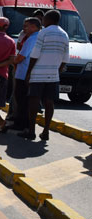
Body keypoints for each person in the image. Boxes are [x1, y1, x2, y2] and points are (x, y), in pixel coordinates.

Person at [22, 10, 70, 141]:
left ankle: (31, 131)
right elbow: (66, 58)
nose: (42, 21)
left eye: (44, 19)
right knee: (49, 102)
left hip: (38, 73)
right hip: (53, 75)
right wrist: (57, 71)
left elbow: (35, 54)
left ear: (49, 20)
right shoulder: (64, 34)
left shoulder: (43, 32)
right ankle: (46, 131)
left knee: (33, 100)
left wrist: (28, 73)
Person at [11, 17, 42, 131]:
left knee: (21, 100)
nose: (24, 28)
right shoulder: (36, 37)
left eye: (26, 26)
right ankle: (23, 123)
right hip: (28, 72)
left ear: (33, 27)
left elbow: (21, 56)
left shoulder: (31, 39)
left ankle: (21, 124)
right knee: (24, 100)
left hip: (23, 73)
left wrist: (13, 61)